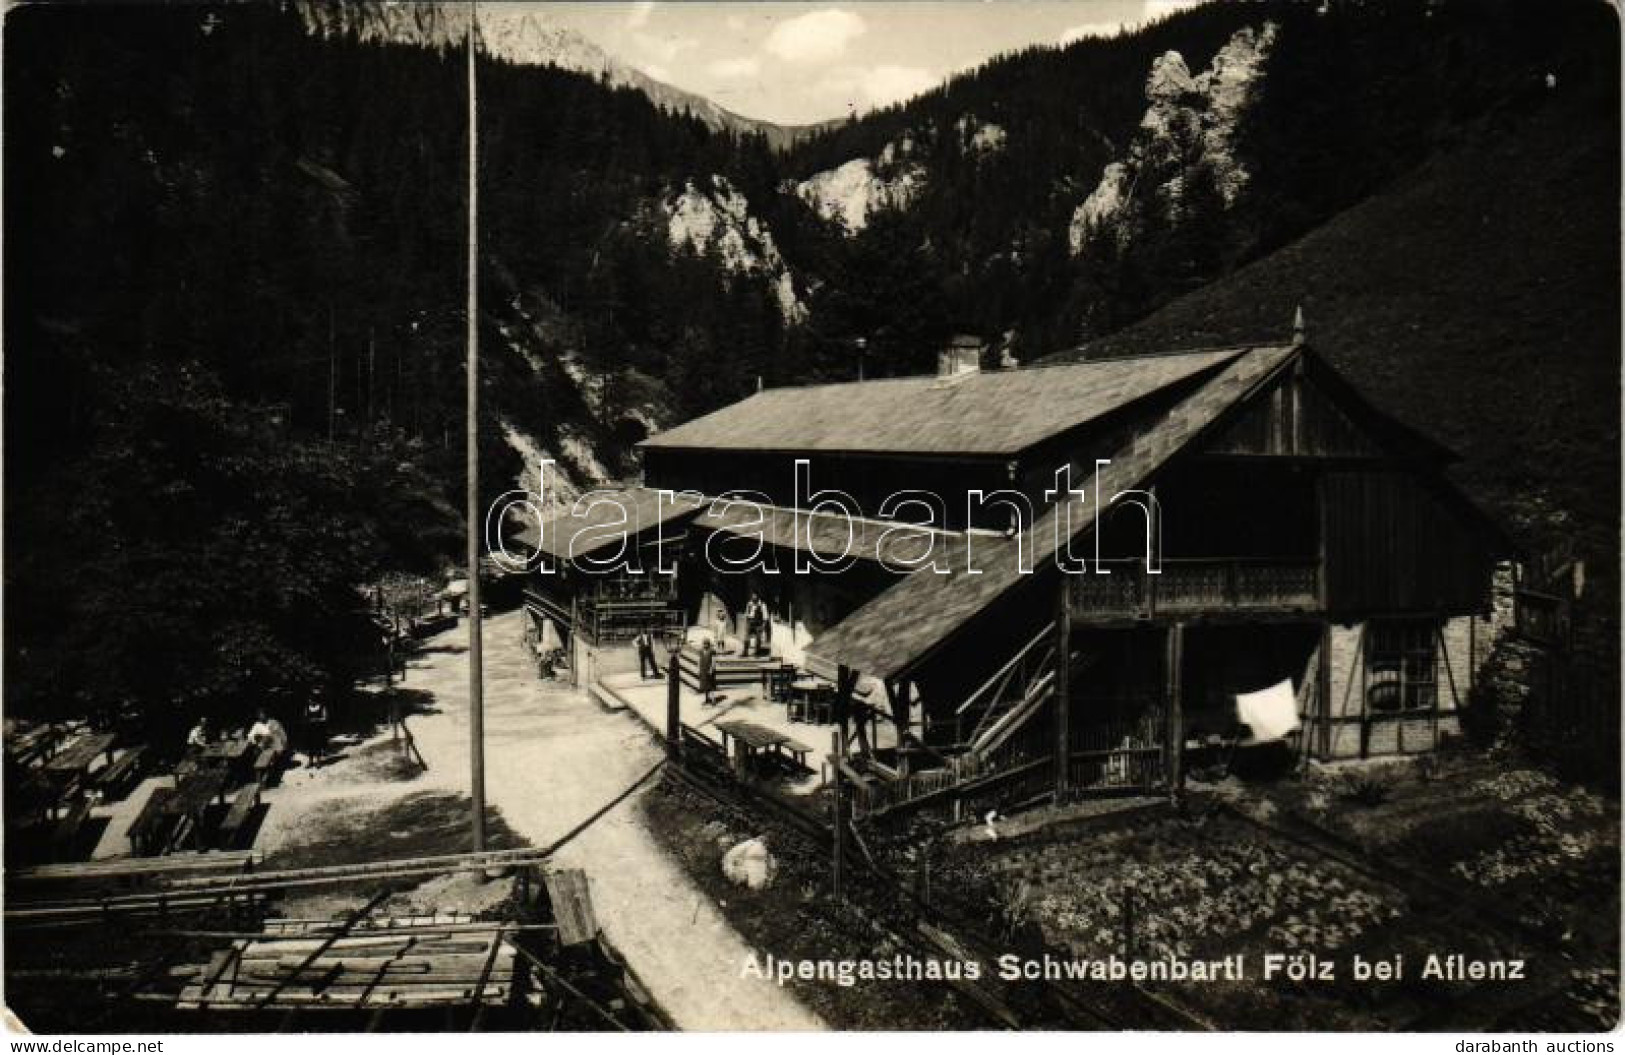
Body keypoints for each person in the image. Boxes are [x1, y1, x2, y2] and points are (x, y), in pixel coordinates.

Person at [303, 695, 330, 765]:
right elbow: (305, 717)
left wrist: (317, 719)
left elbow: (325, 718)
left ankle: (318, 761)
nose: (309, 702)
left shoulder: (322, 707)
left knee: (318, 745)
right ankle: (310, 761)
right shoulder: (307, 707)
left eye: (311, 700)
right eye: (309, 701)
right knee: (310, 745)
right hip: (309, 729)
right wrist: (307, 721)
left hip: (318, 729)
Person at [698, 638, 717, 706]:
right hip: (703, 670)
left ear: (709, 644)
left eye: (706, 644)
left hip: (709, 670)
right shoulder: (701, 651)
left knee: (711, 686)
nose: (705, 645)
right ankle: (706, 699)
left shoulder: (712, 651)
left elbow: (714, 661)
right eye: (704, 644)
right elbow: (699, 660)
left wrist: (711, 669)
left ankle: (713, 700)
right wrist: (698, 669)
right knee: (704, 686)